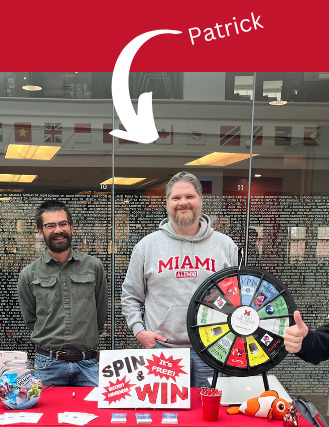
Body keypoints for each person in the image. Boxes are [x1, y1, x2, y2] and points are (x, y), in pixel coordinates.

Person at [121, 171, 238, 387]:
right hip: (163, 352)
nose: (183, 203)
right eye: (176, 198)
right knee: (165, 419)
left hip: (213, 351)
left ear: (201, 200)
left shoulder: (225, 245)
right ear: (167, 203)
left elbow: (236, 298)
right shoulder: (147, 246)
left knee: (209, 417)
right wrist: (139, 331)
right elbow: (130, 295)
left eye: (189, 197)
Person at [17, 200, 107, 386]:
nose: (58, 230)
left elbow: (100, 312)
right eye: (51, 226)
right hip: (48, 365)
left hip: (89, 364)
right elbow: (31, 319)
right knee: (45, 415)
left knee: (97, 414)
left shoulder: (93, 266)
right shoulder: (29, 274)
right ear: (41, 232)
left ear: (71, 227)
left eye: (63, 224)